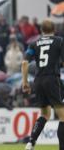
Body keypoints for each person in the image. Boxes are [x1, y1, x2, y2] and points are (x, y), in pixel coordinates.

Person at [22, 19, 64, 150]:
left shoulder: (34, 44)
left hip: (38, 80)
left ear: (41, 31)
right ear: (54, 30)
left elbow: (24, 63)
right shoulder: (59, 41)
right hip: (52, 79)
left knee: (45, 114)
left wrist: (25, 82)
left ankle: (31, 142)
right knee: (62, 116)